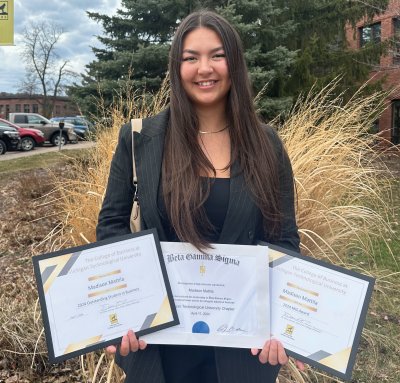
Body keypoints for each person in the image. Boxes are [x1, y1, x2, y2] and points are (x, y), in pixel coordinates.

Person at [96, 9, 303, 383]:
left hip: (243, 352)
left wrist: (283, 323)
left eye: (217, 55)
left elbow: (284, 239)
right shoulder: (138, 139)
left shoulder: (267, 144)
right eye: (191, 58)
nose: (204, 68)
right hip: (156, 349)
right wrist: (122, 307)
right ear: (177, 67)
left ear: (234, 64)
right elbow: (111, 227)